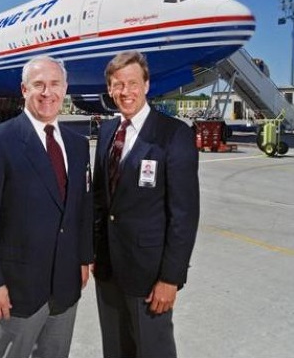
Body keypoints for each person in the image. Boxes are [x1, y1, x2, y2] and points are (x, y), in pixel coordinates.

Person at [0, 55, 93, 358]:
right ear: (24, 90)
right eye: (39, 85)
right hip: (17, 288)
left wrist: (85, 258)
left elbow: (82, 208)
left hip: (65, 284)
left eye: (55, 84)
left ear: (65, 88)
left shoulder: (77, 144)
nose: (47, 93)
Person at [93, 51, 200, 358]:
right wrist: (89, 256)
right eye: (117, 85)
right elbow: (100, 203)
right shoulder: (106, 132)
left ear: (147, 84)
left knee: (153, 350)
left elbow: (184, 215)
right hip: (108, 269)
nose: (125, 92)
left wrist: (171, 278)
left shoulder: (173, 134)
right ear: (110, 89)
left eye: (132, 83)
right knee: (115, 349)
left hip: (150, 276)